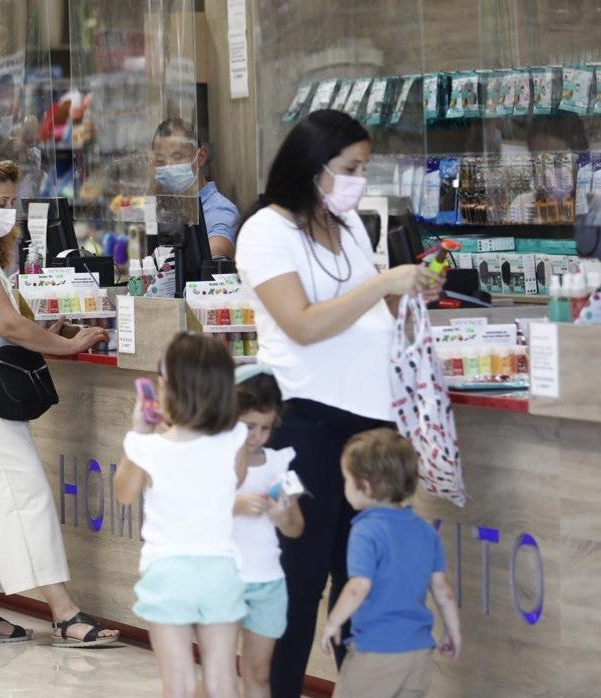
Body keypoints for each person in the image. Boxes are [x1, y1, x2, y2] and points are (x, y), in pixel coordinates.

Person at [233, 109, 442, 698]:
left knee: (362, 577)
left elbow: (369, 318)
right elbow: (300, 323)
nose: (358, 179)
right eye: (350, 168)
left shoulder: (348, 225)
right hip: (308, 426)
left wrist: (407, 295)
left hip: (373, 428)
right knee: (299, 580)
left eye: (364, 168)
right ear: (312, 164)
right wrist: (380, 283)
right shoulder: (265, 232)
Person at [0, 156, 117, 648]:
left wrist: (46, 334)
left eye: (13, 202)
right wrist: (68, 345)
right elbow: (8, 326)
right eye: (1, 203)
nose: (9, 212)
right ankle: (65, 612)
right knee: (24, 494)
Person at [115, 332, 247, 698]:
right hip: (220, 570)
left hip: (168, 572)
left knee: (179, 683)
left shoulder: (148, 447)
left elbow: (123, 493)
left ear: (170, 389)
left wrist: (139, 433)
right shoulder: (236, 437)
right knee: (221, 679)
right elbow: (237, 480)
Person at [320, 429, 462, 698]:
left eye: (347, 479)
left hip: (376, 651)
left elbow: (358, 586)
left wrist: (333, 622)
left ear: (366, 485)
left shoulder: (365, 530)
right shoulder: (425, 530)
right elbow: (443, 590)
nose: (344, 486)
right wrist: (454, 631)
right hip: (418, 652)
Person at [232, 367, 305, 698]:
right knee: (217, 670)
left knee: (259, 672)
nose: (256, 435)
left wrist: (282, 512)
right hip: (223, 578)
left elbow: (295, 528)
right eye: (248, 426)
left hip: (267, 581)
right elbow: (198, 512)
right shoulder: (213, 461)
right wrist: (237, 506)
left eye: (264, 427)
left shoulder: (280, 464)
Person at [150, 118, 240, 257]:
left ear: (201, 157)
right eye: (161, 161)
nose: (168, 167)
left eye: (177, 157)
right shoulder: (168, 211)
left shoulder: (220, 210)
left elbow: (217, 249)